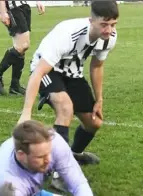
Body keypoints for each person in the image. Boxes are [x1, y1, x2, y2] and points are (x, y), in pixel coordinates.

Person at [17, 0, 119, 167]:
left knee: (94, 123)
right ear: (91, 20)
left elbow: (97, 66)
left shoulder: (110, 37)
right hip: (47, 70)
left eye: (113, 24)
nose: (109, 30)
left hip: (73, 73)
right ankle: (60, 171)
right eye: (104, 24)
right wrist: (26, 112)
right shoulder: (68, 33)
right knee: (65, 108)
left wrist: (99, 99)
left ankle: (74, 154)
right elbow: (39, 72)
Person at [0, 0, 46, 96]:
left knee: (22, 47)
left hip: (24, 6)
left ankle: (15, 86)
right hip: (13, 8)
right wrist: (3, 12)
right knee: (22, 45)